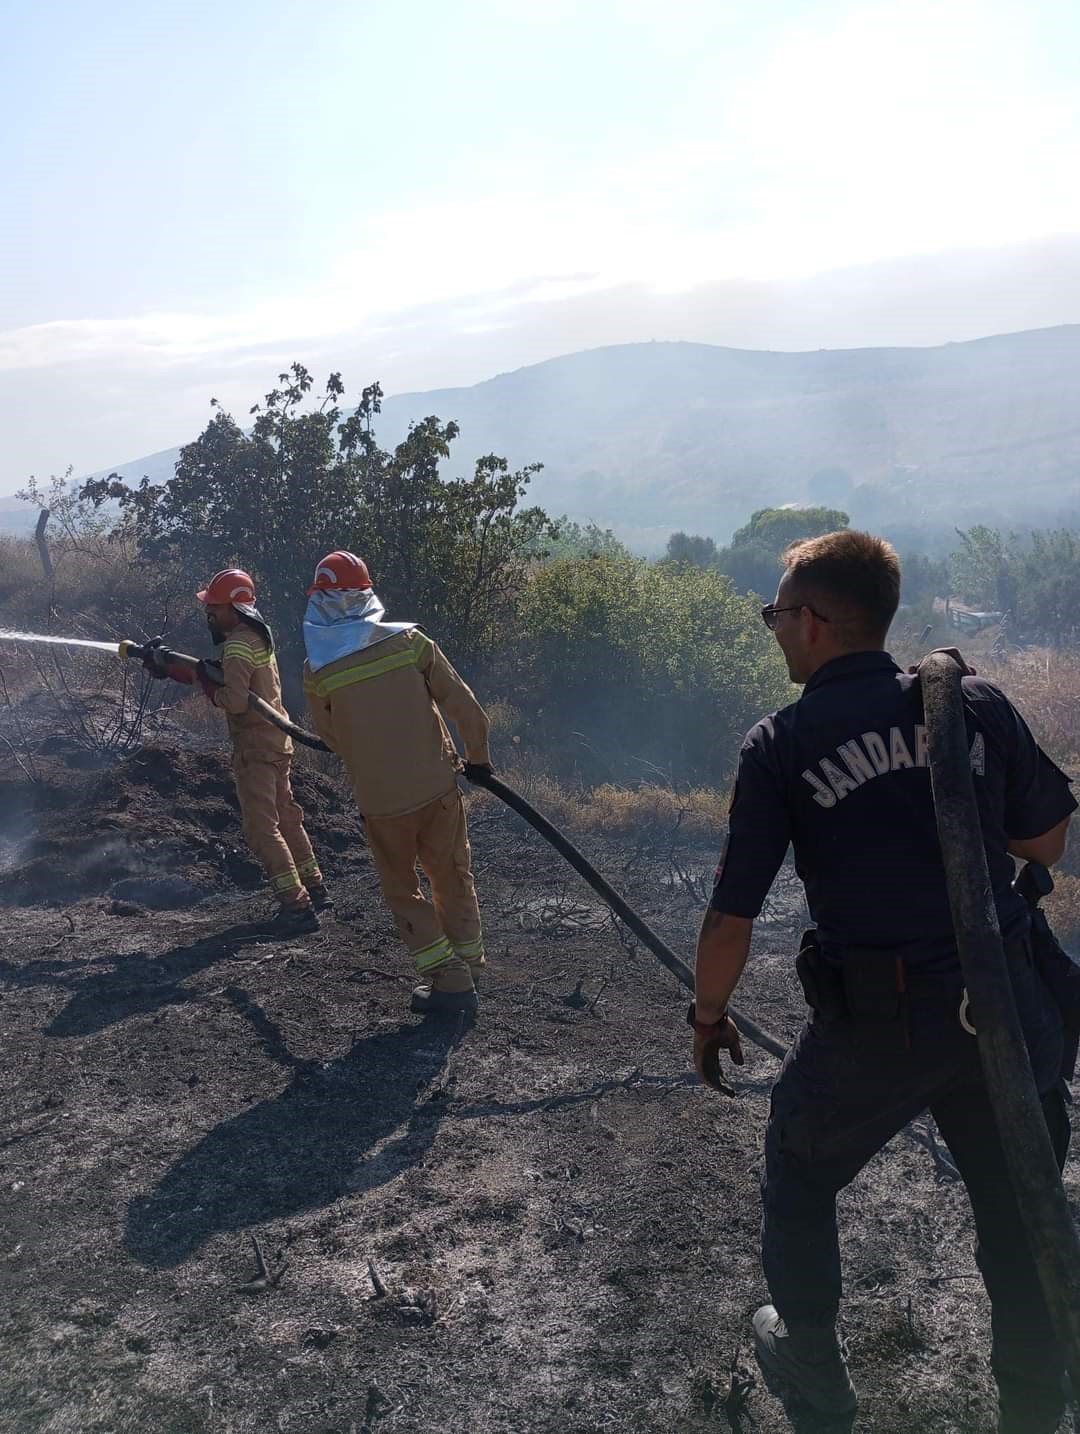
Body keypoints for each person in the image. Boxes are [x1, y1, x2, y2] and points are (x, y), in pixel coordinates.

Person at [691, 530, 1076, 1432]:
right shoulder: (972, 702)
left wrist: (709, 1015)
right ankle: (1030, 1410)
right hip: (1005, 1007)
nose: (775, 629)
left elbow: (731, 916)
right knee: (1021, 1219)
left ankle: (814, 1364)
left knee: (798, 1164)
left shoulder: (782, 741)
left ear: (815, 623)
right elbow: (1046, 842)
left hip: (876, 1021)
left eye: (778, 613)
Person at [301, 551, 492, 1016]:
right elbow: (466, 707)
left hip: (382, 804)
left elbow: (332, 739)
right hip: (438, 788)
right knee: (452, 875)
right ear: (367, 594)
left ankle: (448, 978)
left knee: (404, 891)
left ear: (320, 603)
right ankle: (469, 966)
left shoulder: (317, 670)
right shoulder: (410, 642)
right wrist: (478, 760)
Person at [144, 568, 330, 934]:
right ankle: (315, 888)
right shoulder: (256, 636)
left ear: (234, 608)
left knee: (261, 829)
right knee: (287, 818)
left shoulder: (237, 646)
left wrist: (210, 688)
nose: (208, 613)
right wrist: (180, 669)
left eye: (214, 607)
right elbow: (230, 677)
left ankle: (296, 906)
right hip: (277, 741)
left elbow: (235, 699)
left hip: (255, 747)